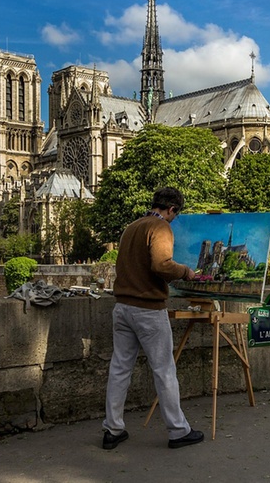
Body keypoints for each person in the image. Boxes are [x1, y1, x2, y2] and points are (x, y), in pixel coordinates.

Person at [102, 187, 204, 450]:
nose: (174, 219)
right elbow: (161, 264)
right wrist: (185, 272)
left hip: (122, 306)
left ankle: (112, 429)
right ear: (171, 209)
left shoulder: (131, 227)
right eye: (175, 214)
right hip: (147, 308)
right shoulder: (160, 228)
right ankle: (178, 431)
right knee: (164, 370)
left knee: (120, 368)